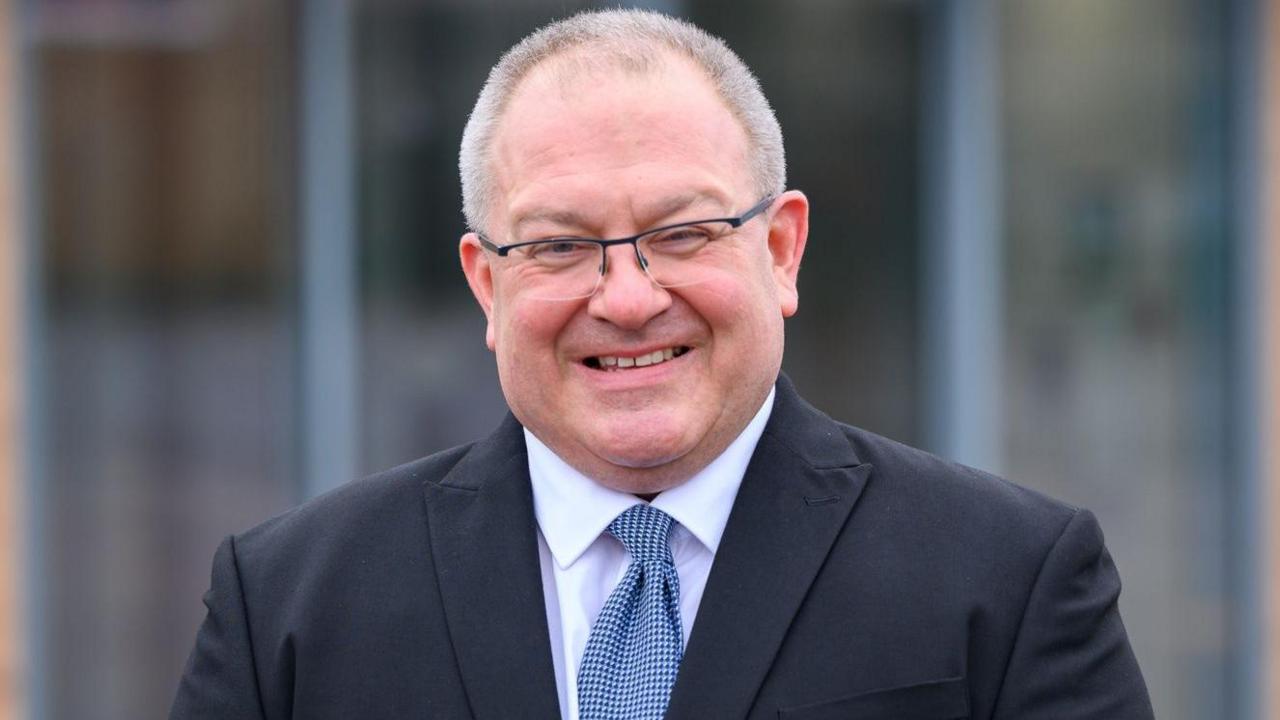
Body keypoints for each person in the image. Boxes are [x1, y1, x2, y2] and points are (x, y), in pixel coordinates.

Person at [170, 9, 1153, 720]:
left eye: (681, 233)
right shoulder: (290, 608)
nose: (628, 297)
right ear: (485, 284)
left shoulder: (1006, 581)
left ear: (779, 251)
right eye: (558, 245)